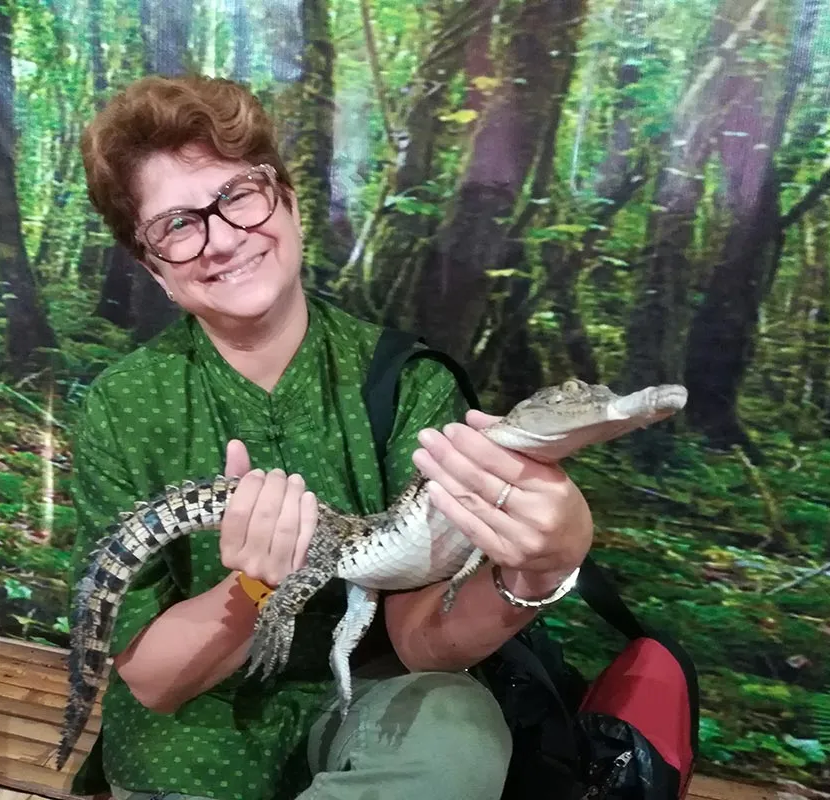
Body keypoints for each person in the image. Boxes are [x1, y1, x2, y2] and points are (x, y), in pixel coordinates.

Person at [67, 73, 594, 800]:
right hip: (194, 731)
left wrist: (536, 573)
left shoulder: (410, 383)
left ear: (287, 199)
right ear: (152, 268)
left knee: (456, 730)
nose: (221, 239)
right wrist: (255, 585)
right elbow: (155, 683)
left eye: (238, 195)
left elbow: (421, 641)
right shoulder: (122, 406)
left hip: (368, 693)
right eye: (178, 226)